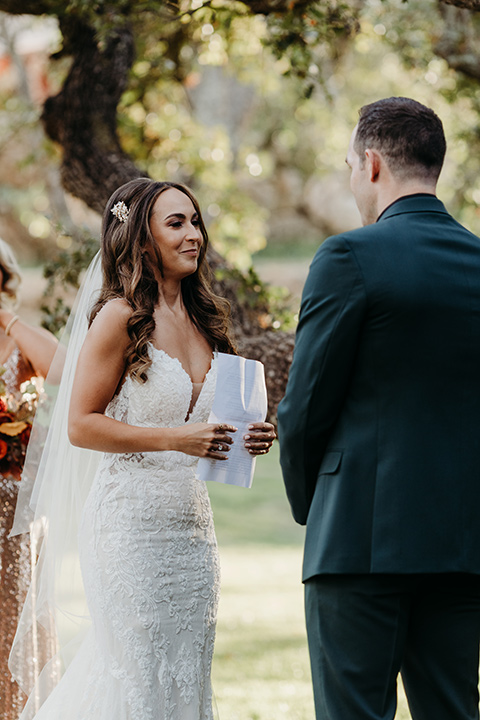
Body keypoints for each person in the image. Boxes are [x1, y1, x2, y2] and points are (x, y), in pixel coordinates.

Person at [11, 178, 275, 720]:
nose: (193, 235)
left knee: (187, 670)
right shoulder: (118, 317)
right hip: (128, 528)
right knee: (133, 674)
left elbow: (208, 429)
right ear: (142, 239)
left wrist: (251, 436)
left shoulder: (206, 319)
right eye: (175, 223)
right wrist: (175, 438)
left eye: (195, 221)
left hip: (193, 531)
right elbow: (81, 425)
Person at [277, 97, 480, 720]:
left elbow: (304, 407)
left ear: (370, 164)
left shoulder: (349, 257)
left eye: (346, 165)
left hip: (358, 541)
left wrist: (315, 504)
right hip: (461, 542)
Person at [0, 239, 58, 719]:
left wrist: (8, 321)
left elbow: (60, 368)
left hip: (18, 511)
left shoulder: (19, 339)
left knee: (17, 621)